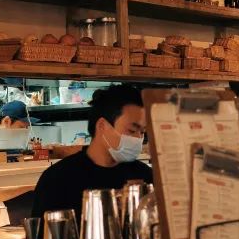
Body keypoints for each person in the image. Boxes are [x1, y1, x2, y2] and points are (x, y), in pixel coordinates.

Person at [30, 84, 152, 219]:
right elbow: (45, 231)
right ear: (102, 126)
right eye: (132, 130)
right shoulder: (58, 179)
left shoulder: (145, 177)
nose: (138, 138)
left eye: (142, 132)